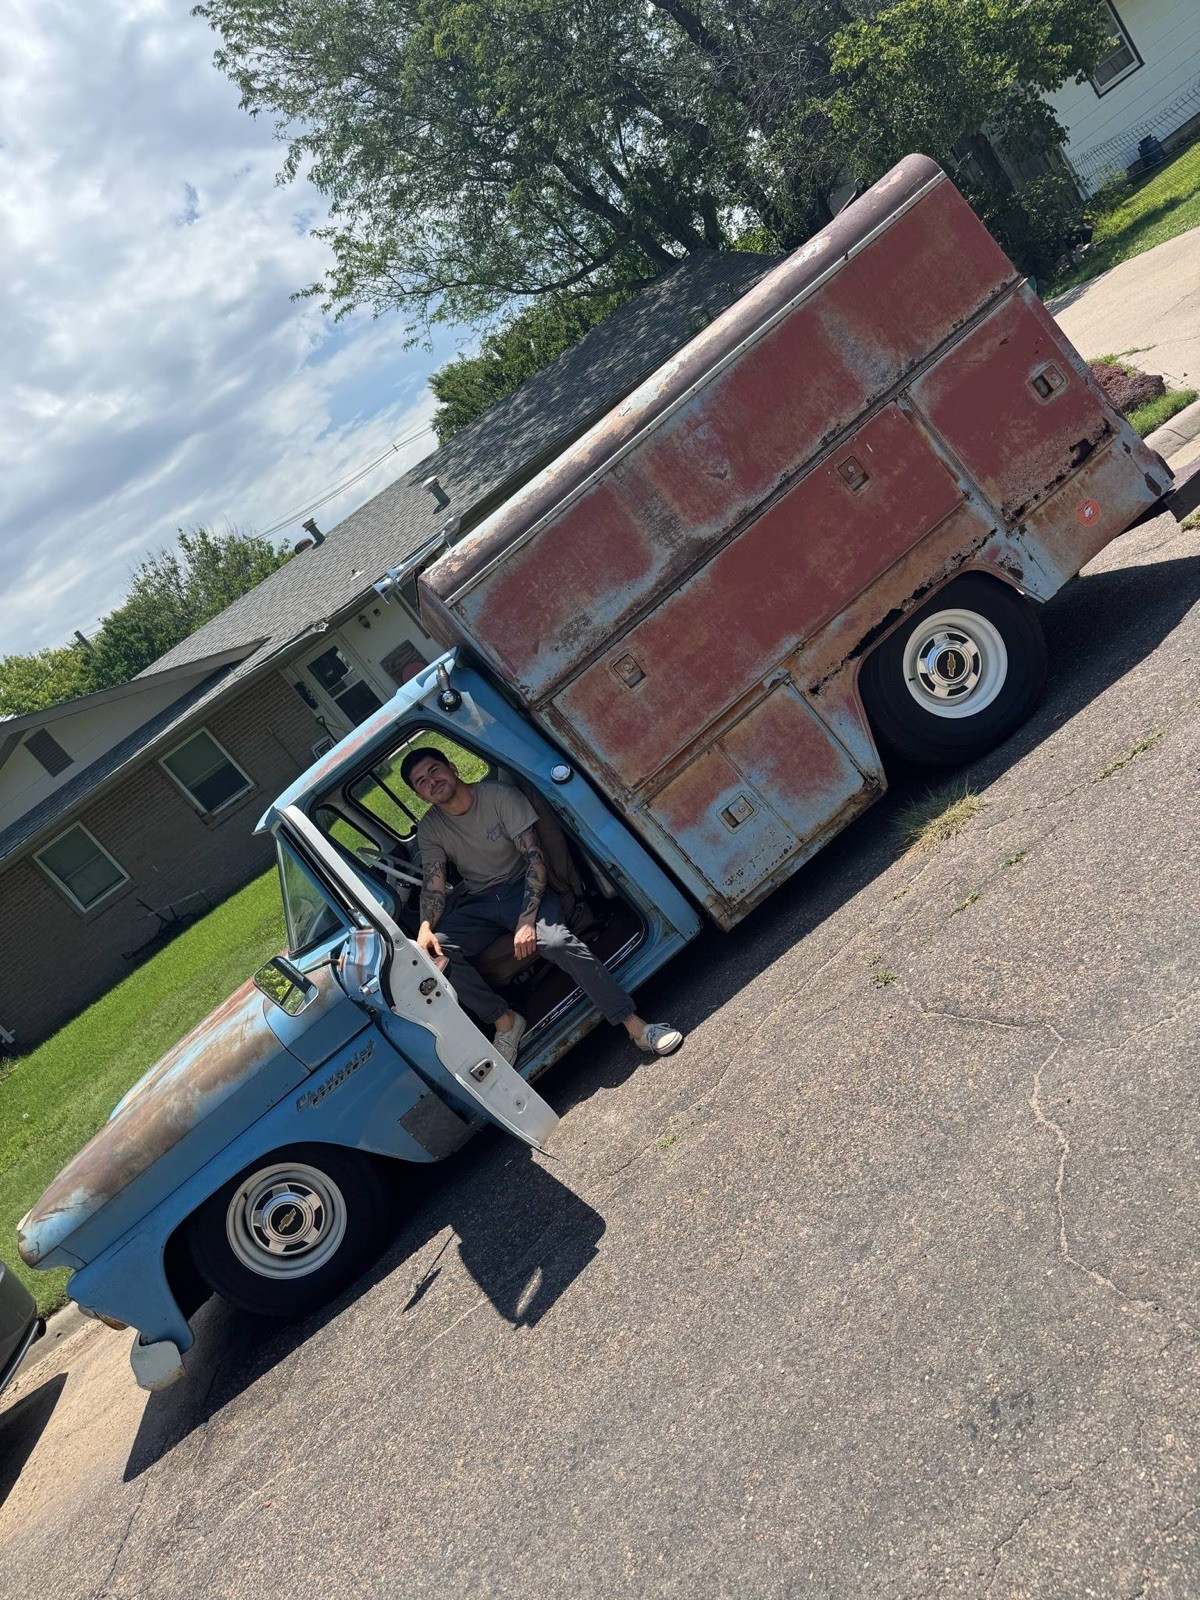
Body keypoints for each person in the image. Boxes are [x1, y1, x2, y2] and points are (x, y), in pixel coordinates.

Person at [401, 746, 684, 1064]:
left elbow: (535, 859)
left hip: (521, 885)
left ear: (452, 767)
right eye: (421, 782)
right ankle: (504, 1021)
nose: (432, 781)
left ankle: (637, 1028)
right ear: (421, 795)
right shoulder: (430, 827)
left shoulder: (498, 796)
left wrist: (526, 919)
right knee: (433, 953)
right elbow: (434, 883)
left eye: (434, 770)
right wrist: (425, 928)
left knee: (557, 941)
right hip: (479, 900)